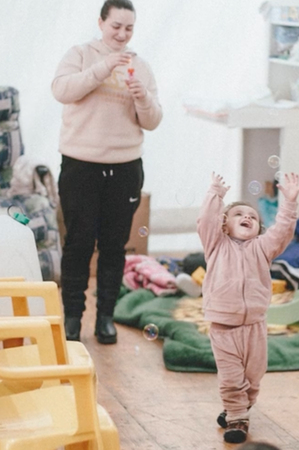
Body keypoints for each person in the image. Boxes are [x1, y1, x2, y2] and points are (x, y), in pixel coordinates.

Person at [52, 0, 162, 344]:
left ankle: (106, 318)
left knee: (115, 245)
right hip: (81, 165)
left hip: (126, 167)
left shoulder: (140, 66)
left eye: (129, 28)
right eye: (116, 26)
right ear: (101, 23)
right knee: (78, 243)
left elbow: (153, 120)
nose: (122, 34)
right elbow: (61, 90)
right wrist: (103, 68)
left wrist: (143, 98)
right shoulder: (81, 54)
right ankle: (73, 318)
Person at [197, 172, 299, 443]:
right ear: (224, 225)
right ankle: (237, 418)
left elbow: (282, 232)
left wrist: (289, 202)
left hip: (255, 325)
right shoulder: (216, 244)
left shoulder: (262, 248)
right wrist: (215, 195)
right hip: (224, 326)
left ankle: (239, 408)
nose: (247, 217)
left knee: (254, 378)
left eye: (253, 217)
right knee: (232, 378)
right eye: (239, 215)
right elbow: (207, 221)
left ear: (258, 228)